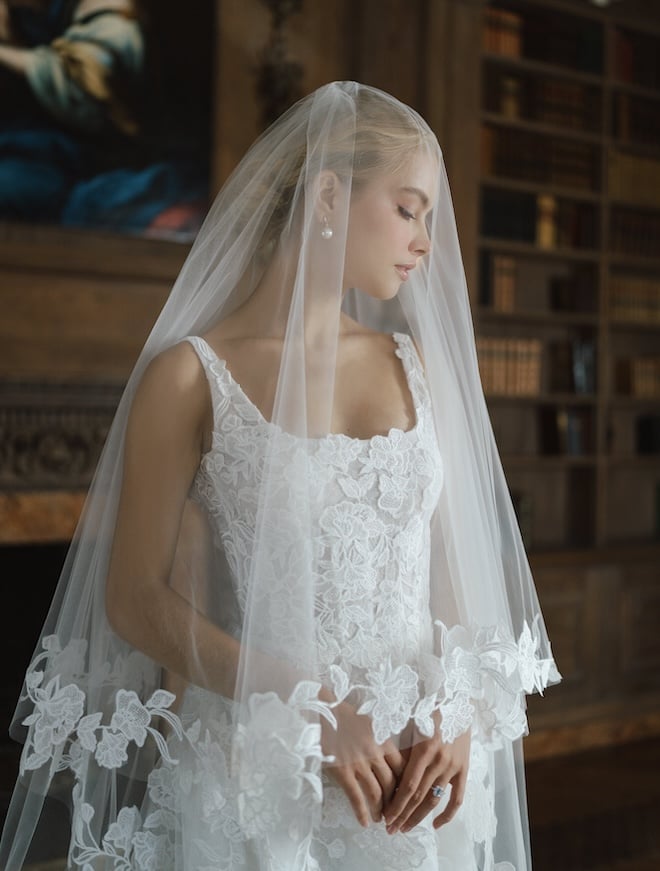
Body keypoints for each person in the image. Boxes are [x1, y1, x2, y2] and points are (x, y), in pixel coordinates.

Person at [0, 81, 559, 870]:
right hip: (263, 770)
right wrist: (310, 705)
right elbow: (133, 596)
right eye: (408, 208)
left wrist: (461, 709)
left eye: (429, 216)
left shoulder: (419, 367)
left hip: (410, 777)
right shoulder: (189, 378)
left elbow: (447, 563)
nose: (427, 241)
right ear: (329, 193)